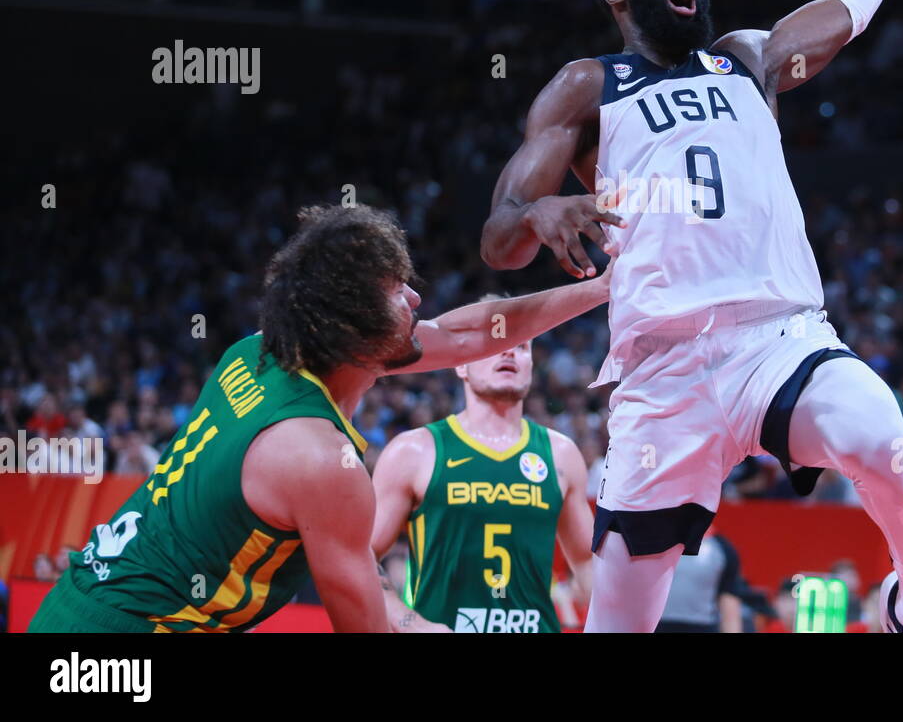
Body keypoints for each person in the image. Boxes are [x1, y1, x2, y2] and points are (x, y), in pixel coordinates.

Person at [481, 0, 903, 633]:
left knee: (884, 441)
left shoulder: (746, 60)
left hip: (777, 337)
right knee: (621, 616)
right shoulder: (589, 85)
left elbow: (846, 11)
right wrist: (536, 214)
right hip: (662, 371)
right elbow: (500, 240)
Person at [29, 205, 609, 633]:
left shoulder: (253, 352)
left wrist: (604, 289)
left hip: (77, 607)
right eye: (393, 292)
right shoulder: (317, 459)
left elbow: (470, 333)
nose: (414, 299)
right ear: (350, 326)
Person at [370, 304, 594, 633]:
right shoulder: (414, 450)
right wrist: (410, 624)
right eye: (494, 344)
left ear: (531, 365)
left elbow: (587, 564)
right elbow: (360, 557)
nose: (509, 354)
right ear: (461, 364)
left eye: (520, 346)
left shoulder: (562, 454)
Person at [654, 524, 744, 633]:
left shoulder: (722, 548)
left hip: (702, 626)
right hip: (656, 625)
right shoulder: (653, 543)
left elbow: (729, 600)